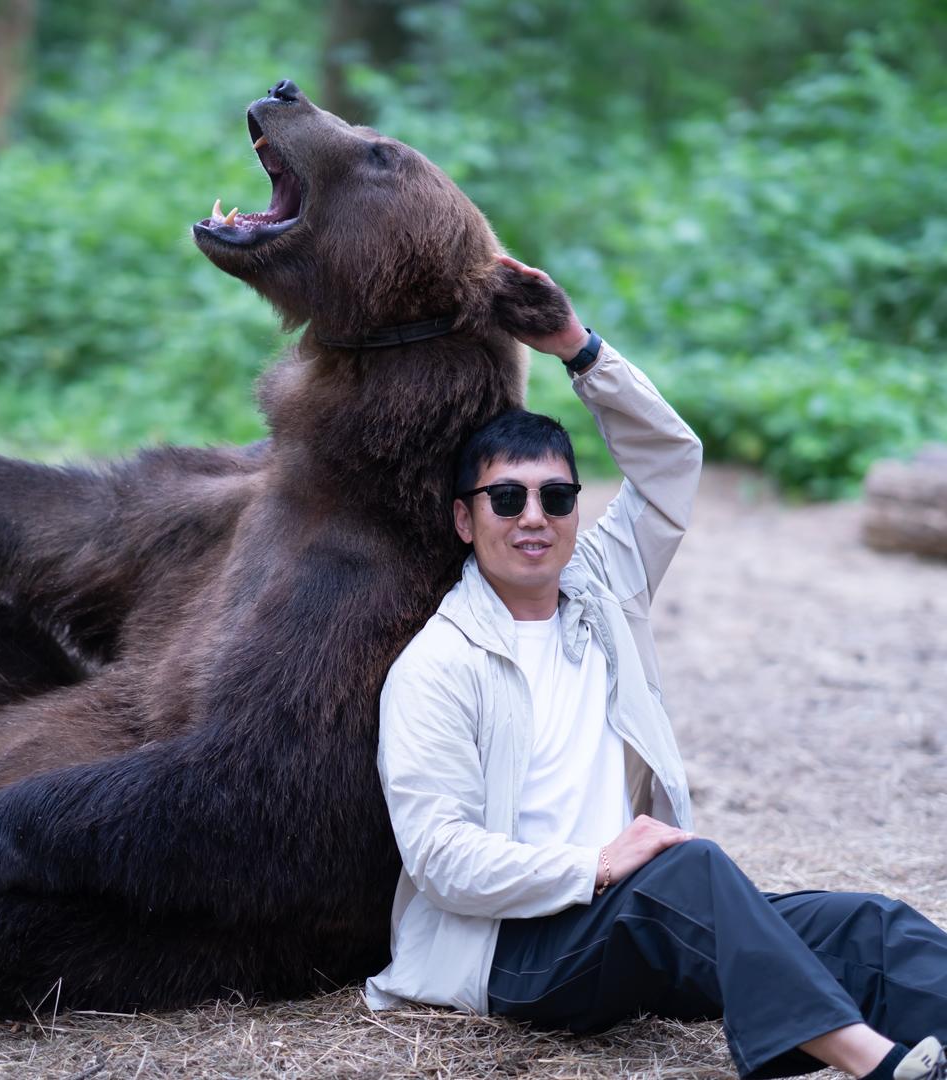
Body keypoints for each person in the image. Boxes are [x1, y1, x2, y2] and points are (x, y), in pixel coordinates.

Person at [365, 254, 947, 1080]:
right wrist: (593, 866)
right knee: (690, 868)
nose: (534, 518)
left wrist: (575, 346)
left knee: (872, 928)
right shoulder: (435, 667)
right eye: (507, 499)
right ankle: (875, 1065)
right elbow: (441, 860)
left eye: (556, 498)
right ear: (465, 519)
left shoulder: (603, 590)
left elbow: (671, 460)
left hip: (637, 913)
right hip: (512, 954)